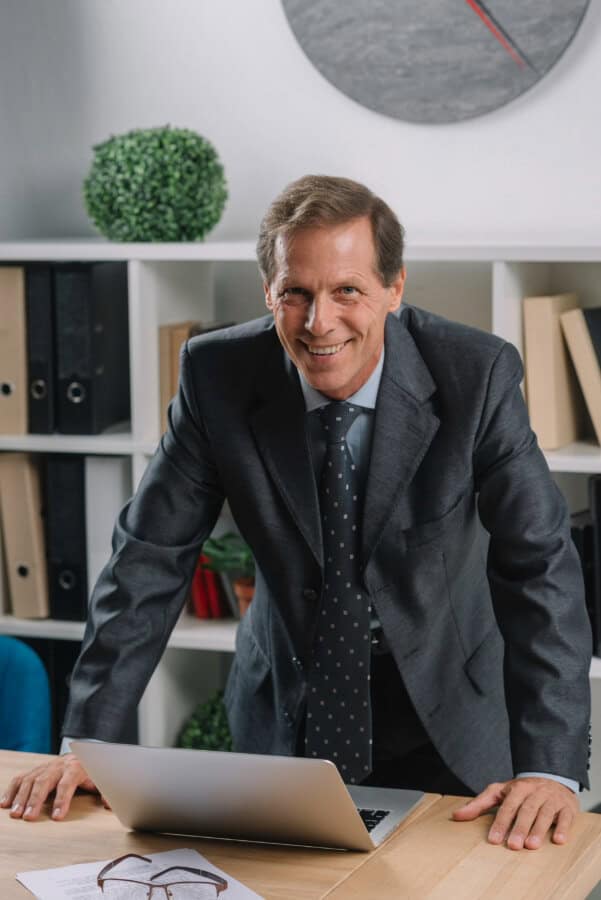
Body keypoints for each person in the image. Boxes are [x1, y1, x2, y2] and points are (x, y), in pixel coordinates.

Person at [2, 175, 591, 852]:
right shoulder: (216, 374)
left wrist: (546, 767)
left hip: (451, 710)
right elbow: (148, 560)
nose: (318, 323)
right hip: (288, 710)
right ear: (268, 292)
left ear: (394, 288)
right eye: (295, 293)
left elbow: (538, 565)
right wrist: (92, 743)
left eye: (347, 290)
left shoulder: (476, 373)